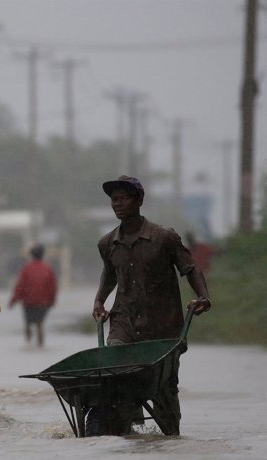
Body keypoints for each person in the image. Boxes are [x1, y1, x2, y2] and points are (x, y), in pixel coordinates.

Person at [90, 175, 211, 436]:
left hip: (162, 327)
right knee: (116, 371)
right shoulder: (107, 243)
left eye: (123, 198)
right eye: (113, 199)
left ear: (139, 200)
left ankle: (169, 435)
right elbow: (110, 274)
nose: (117, 204)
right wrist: (99, 300)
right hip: (124, 323)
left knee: (164, 388)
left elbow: (190, 268)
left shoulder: (164, 237)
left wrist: (203, 296)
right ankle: (124, 426)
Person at [8, 244, 58, 348]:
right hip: (43, 303)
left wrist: (13, 300)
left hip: (28, 302)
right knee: (40, 324)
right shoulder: (48, 269)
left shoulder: (26, 269)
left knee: (28, 323)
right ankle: (40, 346)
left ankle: (28, 345)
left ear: (31, 255)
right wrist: (52, 301)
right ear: (43, 254)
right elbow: (53, 287)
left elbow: (20, 286)